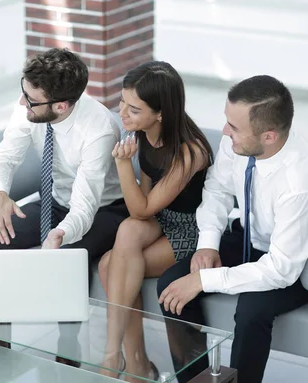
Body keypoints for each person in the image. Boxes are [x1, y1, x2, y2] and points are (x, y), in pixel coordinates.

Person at [157, 75, 308, 383]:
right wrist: (208, 244)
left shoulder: (299, 184)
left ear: (269, 136)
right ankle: (196, 379)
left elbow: (280, 269)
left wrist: (206, 279)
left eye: (234, 127)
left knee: (252, 310)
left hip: (299, 260)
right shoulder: (240, 143)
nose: (225, 131)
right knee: (172, 285)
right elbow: (216, 189)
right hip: (250, 237)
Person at [96, 61, 212, 382]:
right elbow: (142, 211)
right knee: (128, 231)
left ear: (160, 113)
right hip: (159, 219)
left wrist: (122, 165)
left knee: (110, 265)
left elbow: (142, 208)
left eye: (133, 110)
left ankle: (131, 363)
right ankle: (128, 360)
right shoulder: (145, 134)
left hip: (191, 229)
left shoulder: (190, 151)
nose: (122, 114)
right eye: (122, 103)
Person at [0, 47, 127, 268]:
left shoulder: (98, 132)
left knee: (61, 263)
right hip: (55, 202)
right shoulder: (30, 104)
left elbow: (83, 207)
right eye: (23, 93)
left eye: (31, 100)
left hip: (104, 209)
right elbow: (5, 157)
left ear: (61, 106)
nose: (23, 104)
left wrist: (60, 234)